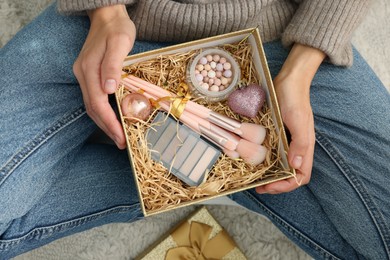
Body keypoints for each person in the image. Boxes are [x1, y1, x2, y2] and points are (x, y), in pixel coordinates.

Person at [0, 0, 389, 258]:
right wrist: (105, 11)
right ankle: (181, 173)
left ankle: (207, 174)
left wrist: (303, 66)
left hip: (280, 32)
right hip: (119, 20)